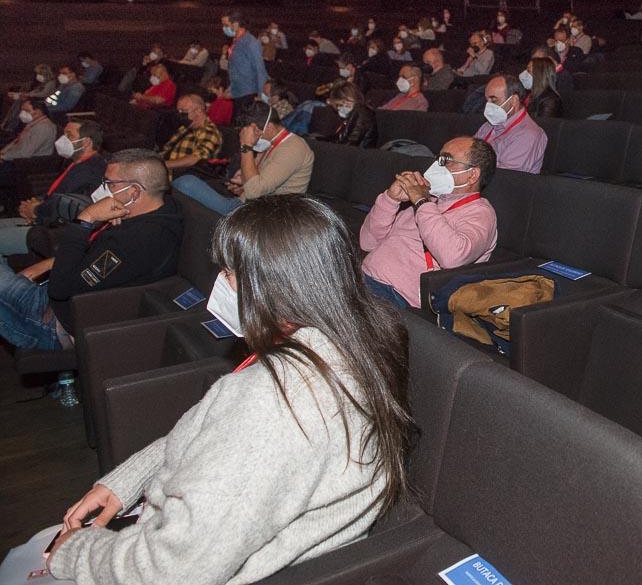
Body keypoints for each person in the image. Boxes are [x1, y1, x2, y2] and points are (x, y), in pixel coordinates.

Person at [47, 194, 417, 584]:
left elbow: (173, 570)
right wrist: (129, 480)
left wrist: (73, 552)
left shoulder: (271, 402)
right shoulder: (362, 336)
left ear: (275, 284)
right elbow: (220, 439)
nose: (220, 283)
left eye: (229, 272)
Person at [0, 149, 182, 351]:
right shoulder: (164, 209)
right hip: (60, 300)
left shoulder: (137, 241)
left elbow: (60, 289)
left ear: (135, 192)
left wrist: (85, 220)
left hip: (51, 320)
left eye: (110, 184)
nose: (102, 189)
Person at [360, 138, 499, 310]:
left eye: (445, 160)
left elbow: (453, 257)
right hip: (364, 276)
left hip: (396, 295)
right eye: (437, 158)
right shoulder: (430, 200)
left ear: (472, 175)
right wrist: (390, 199)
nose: (436, 166)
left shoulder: (481, 213)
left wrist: (421, 201)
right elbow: (367, 242)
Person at [172, 102, 313, 215]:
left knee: (186, 183)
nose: (253, 137)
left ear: (269, 127)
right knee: (188, 182)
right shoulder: (271, 143)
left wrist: (246, 146)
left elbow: (254, 191)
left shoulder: (293, 148)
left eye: (255, 132)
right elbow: (255, 181)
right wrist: (242, 183)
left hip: (266, 215)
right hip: (249, 203)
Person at [0, 119, 105, 256]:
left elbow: (66, 209)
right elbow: (55, 196)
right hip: (43, 220)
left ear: (86, 142)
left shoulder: (89, 171)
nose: (63, 139)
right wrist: (34, 205)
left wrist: (35, 211)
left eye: (69, 135)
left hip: (52, 233)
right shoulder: (77, 163)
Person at [474, 74, 547, 173]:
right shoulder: (488, 125)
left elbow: (505, 176)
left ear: (513, 100)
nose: (488, 106)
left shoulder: (529, 134)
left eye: (494, 100)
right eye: (487, 101)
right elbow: (470, 152)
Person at [223, 11, 268, 123]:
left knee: (241, 125)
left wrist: (260, 95)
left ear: (236, 24)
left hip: (248, 93)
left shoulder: (251, 42)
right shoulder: (236, 41)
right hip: (237, 90)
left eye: (226, 25)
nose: (224, 28)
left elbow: (260, 70)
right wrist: (230, 89)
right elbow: (237, 69)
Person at [161, 94, 223, 172]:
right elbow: (166, 149)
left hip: (178, 175)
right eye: (179, 111)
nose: (180, 115)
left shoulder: (209, 131)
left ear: (198, 111)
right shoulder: (184, 128)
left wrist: (163, 165)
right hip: (163, 169)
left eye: (184, 111)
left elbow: (196, 158)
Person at [325, 82, 377, 148]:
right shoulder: (355, 113)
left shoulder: (362, 114)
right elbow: (339, 138)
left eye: (340, 105)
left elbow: (351, 143)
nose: (339, 109)